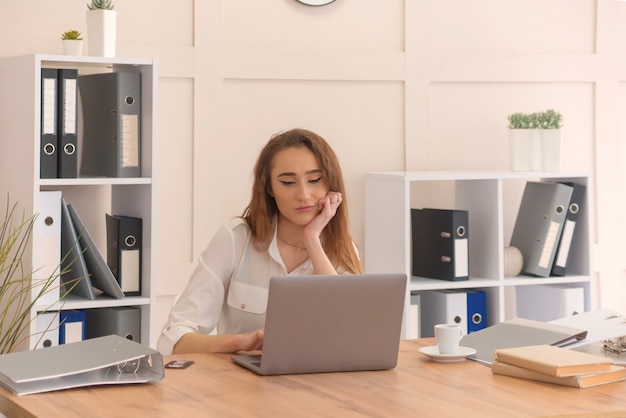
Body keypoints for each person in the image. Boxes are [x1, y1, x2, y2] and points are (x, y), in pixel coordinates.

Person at [158, 128, 363, 355]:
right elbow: (173, 340)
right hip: (242, 384)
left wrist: (312, 239)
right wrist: (240, 343)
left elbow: (350, 331)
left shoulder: (341, 248)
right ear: (269, 188)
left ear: (330, 184)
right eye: (287, 182)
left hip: (320, 382)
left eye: (314, 180)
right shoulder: (235, 240)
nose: (304, 194)